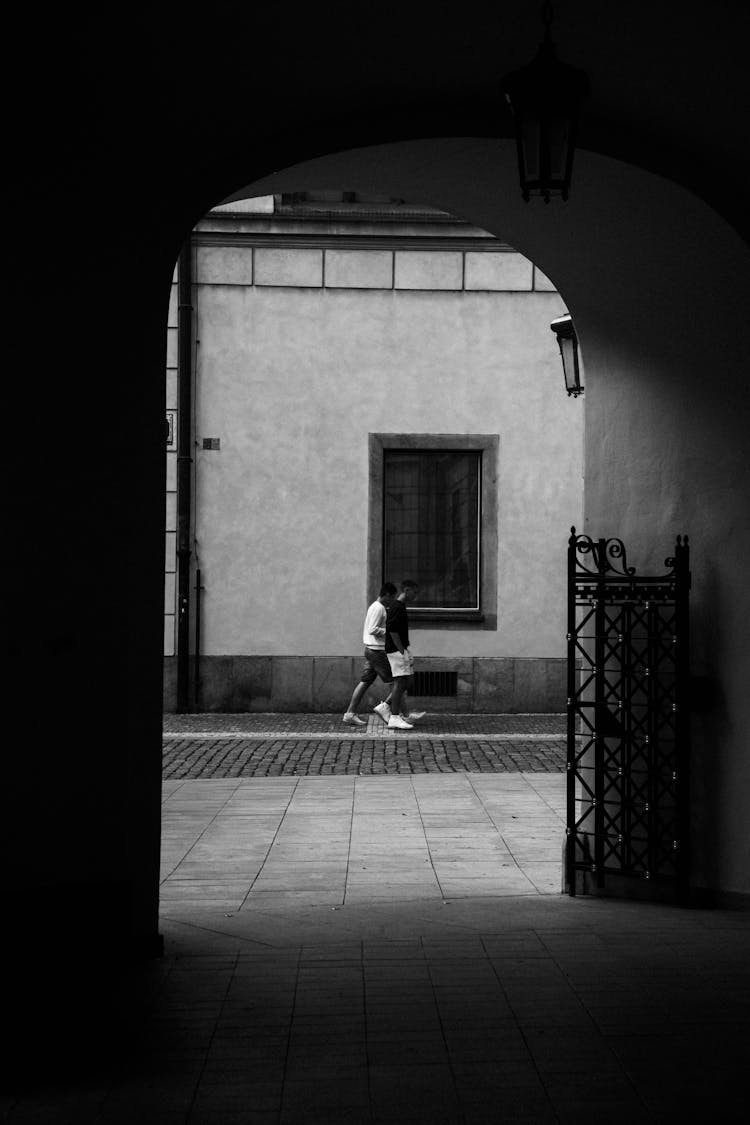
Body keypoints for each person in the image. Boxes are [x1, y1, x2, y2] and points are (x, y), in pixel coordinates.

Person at [342, 583, 398, 726]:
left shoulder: (376, 607)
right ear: (386, 594)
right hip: (376, 651)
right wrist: (389, 632)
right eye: (392, 597)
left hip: (372, 650)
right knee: (396, 682)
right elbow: (373, 629)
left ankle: (350, 713)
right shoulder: (378, 608)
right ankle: (396, 714)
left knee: (365, 682)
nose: (392, 601)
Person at [384, 579, 425, 730]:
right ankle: (394, 717)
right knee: (400, 682)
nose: (416, 596)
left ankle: (386, 706)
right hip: (396, 650)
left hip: (400, 649)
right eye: (415, 592)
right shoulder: (397, 607)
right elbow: (393, 630)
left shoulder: (399, 606)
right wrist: (401, 650)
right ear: (406, 590)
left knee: (406, 681)